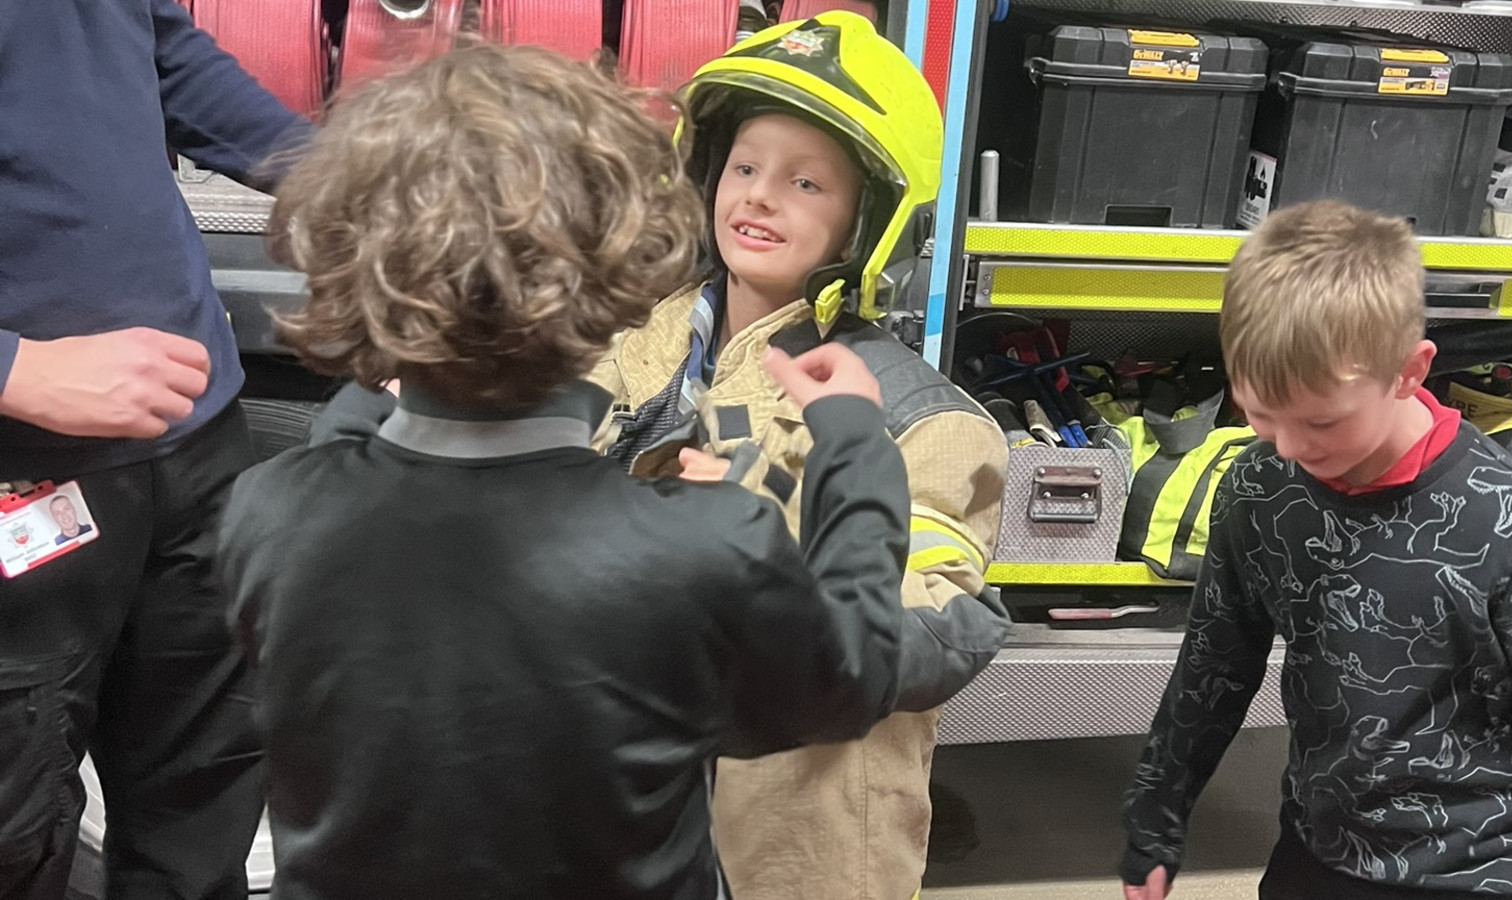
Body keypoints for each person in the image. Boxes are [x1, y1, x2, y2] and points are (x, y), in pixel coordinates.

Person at [217, 42, 935, 900]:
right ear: (618, 280)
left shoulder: (270, 510)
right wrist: (854, 442)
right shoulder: (698, 544)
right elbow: (845, 682)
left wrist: (389, 368)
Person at [589, 13, 1011, 899]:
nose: (759, 196)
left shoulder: (920, 422)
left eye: (807, 182)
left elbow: (925, 630)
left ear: (872, 223)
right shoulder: (632, 354)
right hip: (628, 809)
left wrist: (751, 520)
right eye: (744, 166)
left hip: (791, 839)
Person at [1120, 200, 1512, 900]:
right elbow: (1217, 660)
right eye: (1259, 412)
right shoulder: (1260, 485)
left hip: (1478, 865)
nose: (1287, 446)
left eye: (1320, 421)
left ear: (1410, 370)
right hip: (1322, 845)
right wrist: (1156, 817)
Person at [0, 2, 308, 897]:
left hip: (195, 438)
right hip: (21, 466)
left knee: (204, 793)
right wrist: (14, 371)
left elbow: (147, 44)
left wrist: (348, 178)